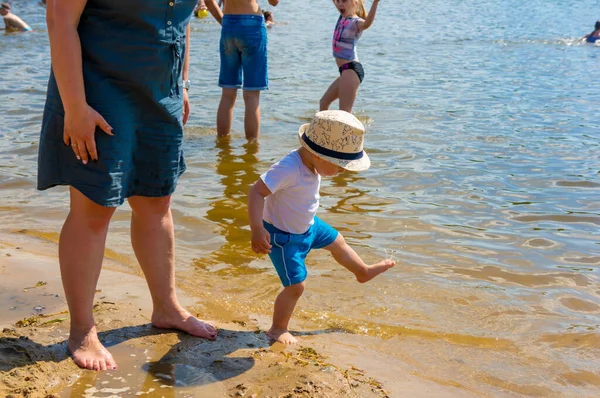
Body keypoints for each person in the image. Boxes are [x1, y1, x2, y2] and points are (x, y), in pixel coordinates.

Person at [38, 0, 217, 371]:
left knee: (157, 201)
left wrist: (182, 82)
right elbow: (59, 18)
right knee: (95, 207)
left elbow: (181, 23)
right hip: (98, 90)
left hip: (160, 91)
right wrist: (75, 107)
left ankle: (166, 307)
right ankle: (81, 330)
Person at [247, 110, 395, 344]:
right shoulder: (288, 168)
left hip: (310, 226)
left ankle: (362, 272)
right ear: (318, 156)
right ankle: (278, 329)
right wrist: (257, 228)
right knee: (296, 286)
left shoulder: (312, 165)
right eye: (339, 166)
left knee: (338, 242)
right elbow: (256, 191)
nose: (341, 172)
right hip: (285, 237)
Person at [204, 0, 279, 140]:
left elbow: (208, 2)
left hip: (229, 23)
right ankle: (251, 153)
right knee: (252, 95)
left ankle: (222, 148)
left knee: (227, 94)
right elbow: (274, 2)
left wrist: (224, 22)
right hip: (252, 24)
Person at [320, 0, 380, 113]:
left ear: (355, 3)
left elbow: (367, 24)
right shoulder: (342, 17)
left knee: (344, 113)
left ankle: (350, 130)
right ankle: (323, 129)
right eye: (338, 1)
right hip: (344, 72)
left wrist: (375, 2)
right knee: (323, 102)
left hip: (351, 70)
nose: (340, 4)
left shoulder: (356, 22)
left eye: (344, 1)